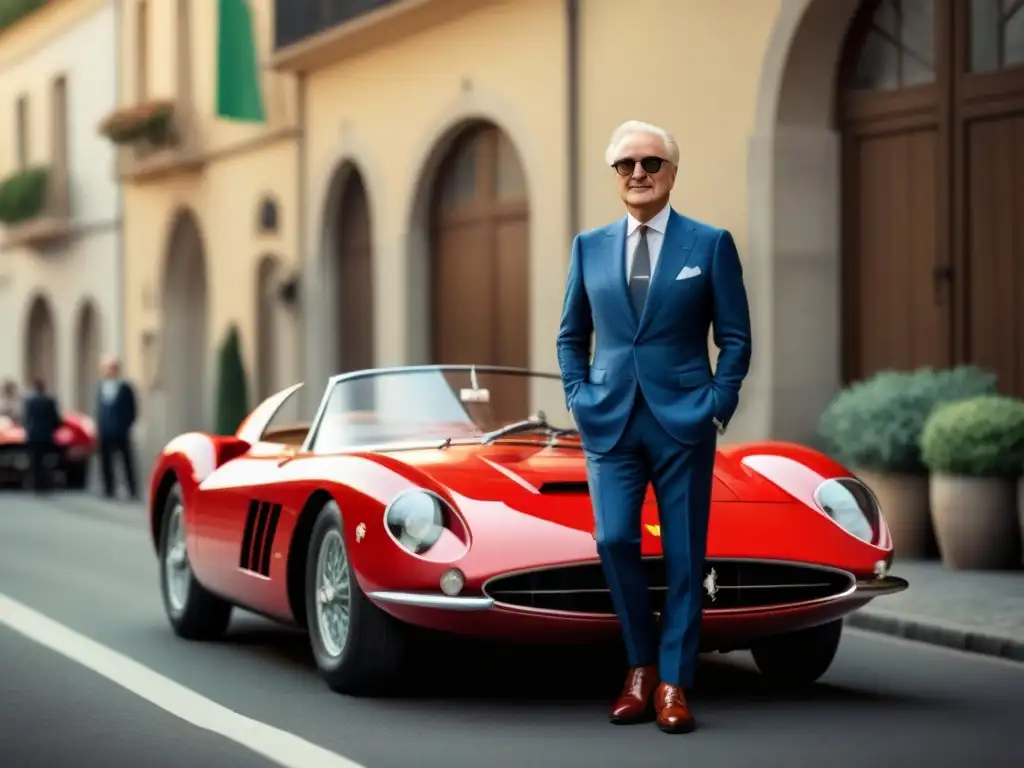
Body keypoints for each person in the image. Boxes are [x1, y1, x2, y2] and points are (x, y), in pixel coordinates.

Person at [556, 120, 751, 734]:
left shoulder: (710, 243)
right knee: (615, 539)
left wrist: (717, 402)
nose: (637, 173)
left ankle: (672, 682)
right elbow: (570, 335)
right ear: (615, 175)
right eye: (624, 165)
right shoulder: (588, 247)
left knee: (685, 556)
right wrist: (578, 397)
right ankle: (639, 664)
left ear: (671, 170)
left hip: (684, 422)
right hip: (609, 422)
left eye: (650, 162)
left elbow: (737, 338)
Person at [95, 355, 138, 500]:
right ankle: (109, 489)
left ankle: (132, 489)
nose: (108, 371)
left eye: (110, 368)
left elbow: (132, 409)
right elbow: (100, 409)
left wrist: (126, 425)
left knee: (126, 461)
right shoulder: (101, 387)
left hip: (121, 431)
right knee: (106, 462)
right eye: (105, 369)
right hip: (105, 431)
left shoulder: (125, 387)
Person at [22, 378, 62, 494]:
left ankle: (35, 483)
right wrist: (53, 429)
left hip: (33, 435)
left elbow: (26, 419)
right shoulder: (49, 401)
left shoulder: (30, 401)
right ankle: (45, 483)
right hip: (46, 434)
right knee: (46, 460)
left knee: (35, 460)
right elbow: (56, 419)